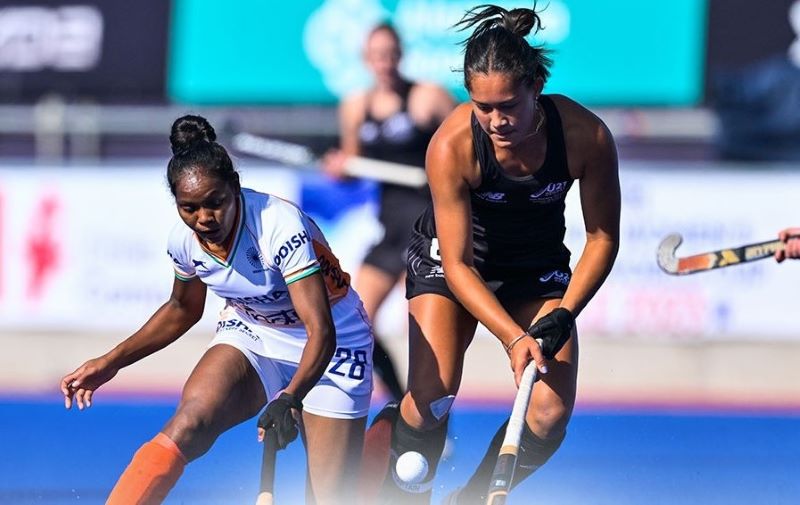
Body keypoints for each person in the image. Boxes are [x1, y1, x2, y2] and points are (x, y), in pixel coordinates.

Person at [363, 4, 620, 504]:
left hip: (535, 269)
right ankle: (400, 484)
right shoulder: (452, 145)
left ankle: (471, 499)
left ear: (536, 87)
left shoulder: (585, 136)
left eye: (508, 106)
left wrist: (564, 313)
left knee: (549, 414)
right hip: (453, 264)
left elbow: (602, 239)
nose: (496, 121)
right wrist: (513, 337)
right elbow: (458, 265)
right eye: (483, 107)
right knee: (432, 398)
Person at [60, 115, 373, 505]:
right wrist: (111, 362)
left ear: (235, 187)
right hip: (253, 332)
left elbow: (321, 330)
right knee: (188, 423)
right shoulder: (184, 241)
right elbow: (182, 309)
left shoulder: (278, 225)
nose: (204, 219)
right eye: (189, 208)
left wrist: (290, 397)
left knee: (330, 499)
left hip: (335, 344)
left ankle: (387, 442)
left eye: (215, 203)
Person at [324, 22, 455, 400]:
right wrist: (341, 167)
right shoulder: (355, 106)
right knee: (355, 321)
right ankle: (400, 402)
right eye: (376, 55)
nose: (384, 62)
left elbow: (468, 143)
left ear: (401, 55)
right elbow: (353, 167)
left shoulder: (427, 98)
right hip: (390, 230)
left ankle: (430, 414)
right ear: (366, 59)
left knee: (427, 331)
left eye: (390, 54)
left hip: (428, 229)